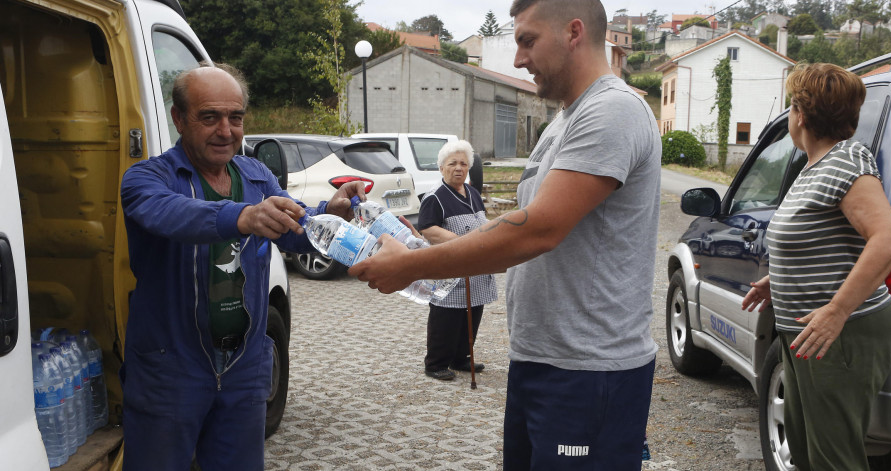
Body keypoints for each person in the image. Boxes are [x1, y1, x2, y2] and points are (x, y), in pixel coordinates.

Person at [350, 0, 661, 468]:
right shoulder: (562, 121)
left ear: (573, 32)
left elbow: (537, 231)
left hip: (591, 371)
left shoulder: (613, 111)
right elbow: (516, 225)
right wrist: (415, 245)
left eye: (527, 41)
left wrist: (408, 268)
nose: (518, 59)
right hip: (541, 358)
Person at [119, 64, 364, 470]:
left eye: (236, 118)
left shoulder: (256, 174)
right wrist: (242, 217)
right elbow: (172, 215)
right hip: (170, 370)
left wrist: (331, 213)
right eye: (210, 117)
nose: (226, 130)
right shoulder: (147, 178)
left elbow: (294, 228)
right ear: (179, 119)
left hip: (243, 368)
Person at [741, 63, 891, 471]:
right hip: (807, 332)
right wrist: (775, 281)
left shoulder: (847, 158)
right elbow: (821, 241)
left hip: (843, 332)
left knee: (835, 459)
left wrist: (837, 311)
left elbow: (888, 237)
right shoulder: (813, 165)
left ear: (801, 112)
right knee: (807, 450)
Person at [417, 140, 498, 381]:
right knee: (447, 317)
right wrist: (460, 243)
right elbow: (427, 228)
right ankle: (435, 363)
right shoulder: (435, 197)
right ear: (442, 168)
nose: (459, 168)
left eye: (464, 163)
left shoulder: (472, 192)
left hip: (476, 268)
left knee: (473, 314)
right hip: (451, 269)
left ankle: (461, 357)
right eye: (452, 163)